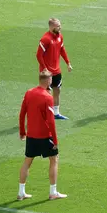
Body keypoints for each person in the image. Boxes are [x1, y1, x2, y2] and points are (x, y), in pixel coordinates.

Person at [18, 71, 67, 201]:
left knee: (27, 162)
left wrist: (22, 131)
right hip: (45, 136)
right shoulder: (47, 97)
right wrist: (55, 140)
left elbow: (22, 113)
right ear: (49, 80)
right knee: (54, 159)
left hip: (31, 135)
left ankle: (21, 192)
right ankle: (53, 192)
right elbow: (51, 121)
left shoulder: (29, 93)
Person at [36, 18, 73, 120]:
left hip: (57, 71)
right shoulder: (45, 39)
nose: (60, 27)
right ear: (52, 27)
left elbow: (62, 50)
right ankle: (43, 114)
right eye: (58, 26)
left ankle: (56, 113)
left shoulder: (60, 36)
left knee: (57, 91)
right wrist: (44, 69)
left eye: (60, 25)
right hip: (47, 72)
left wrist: (68, 63)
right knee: (46, 94)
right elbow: (39, 55)